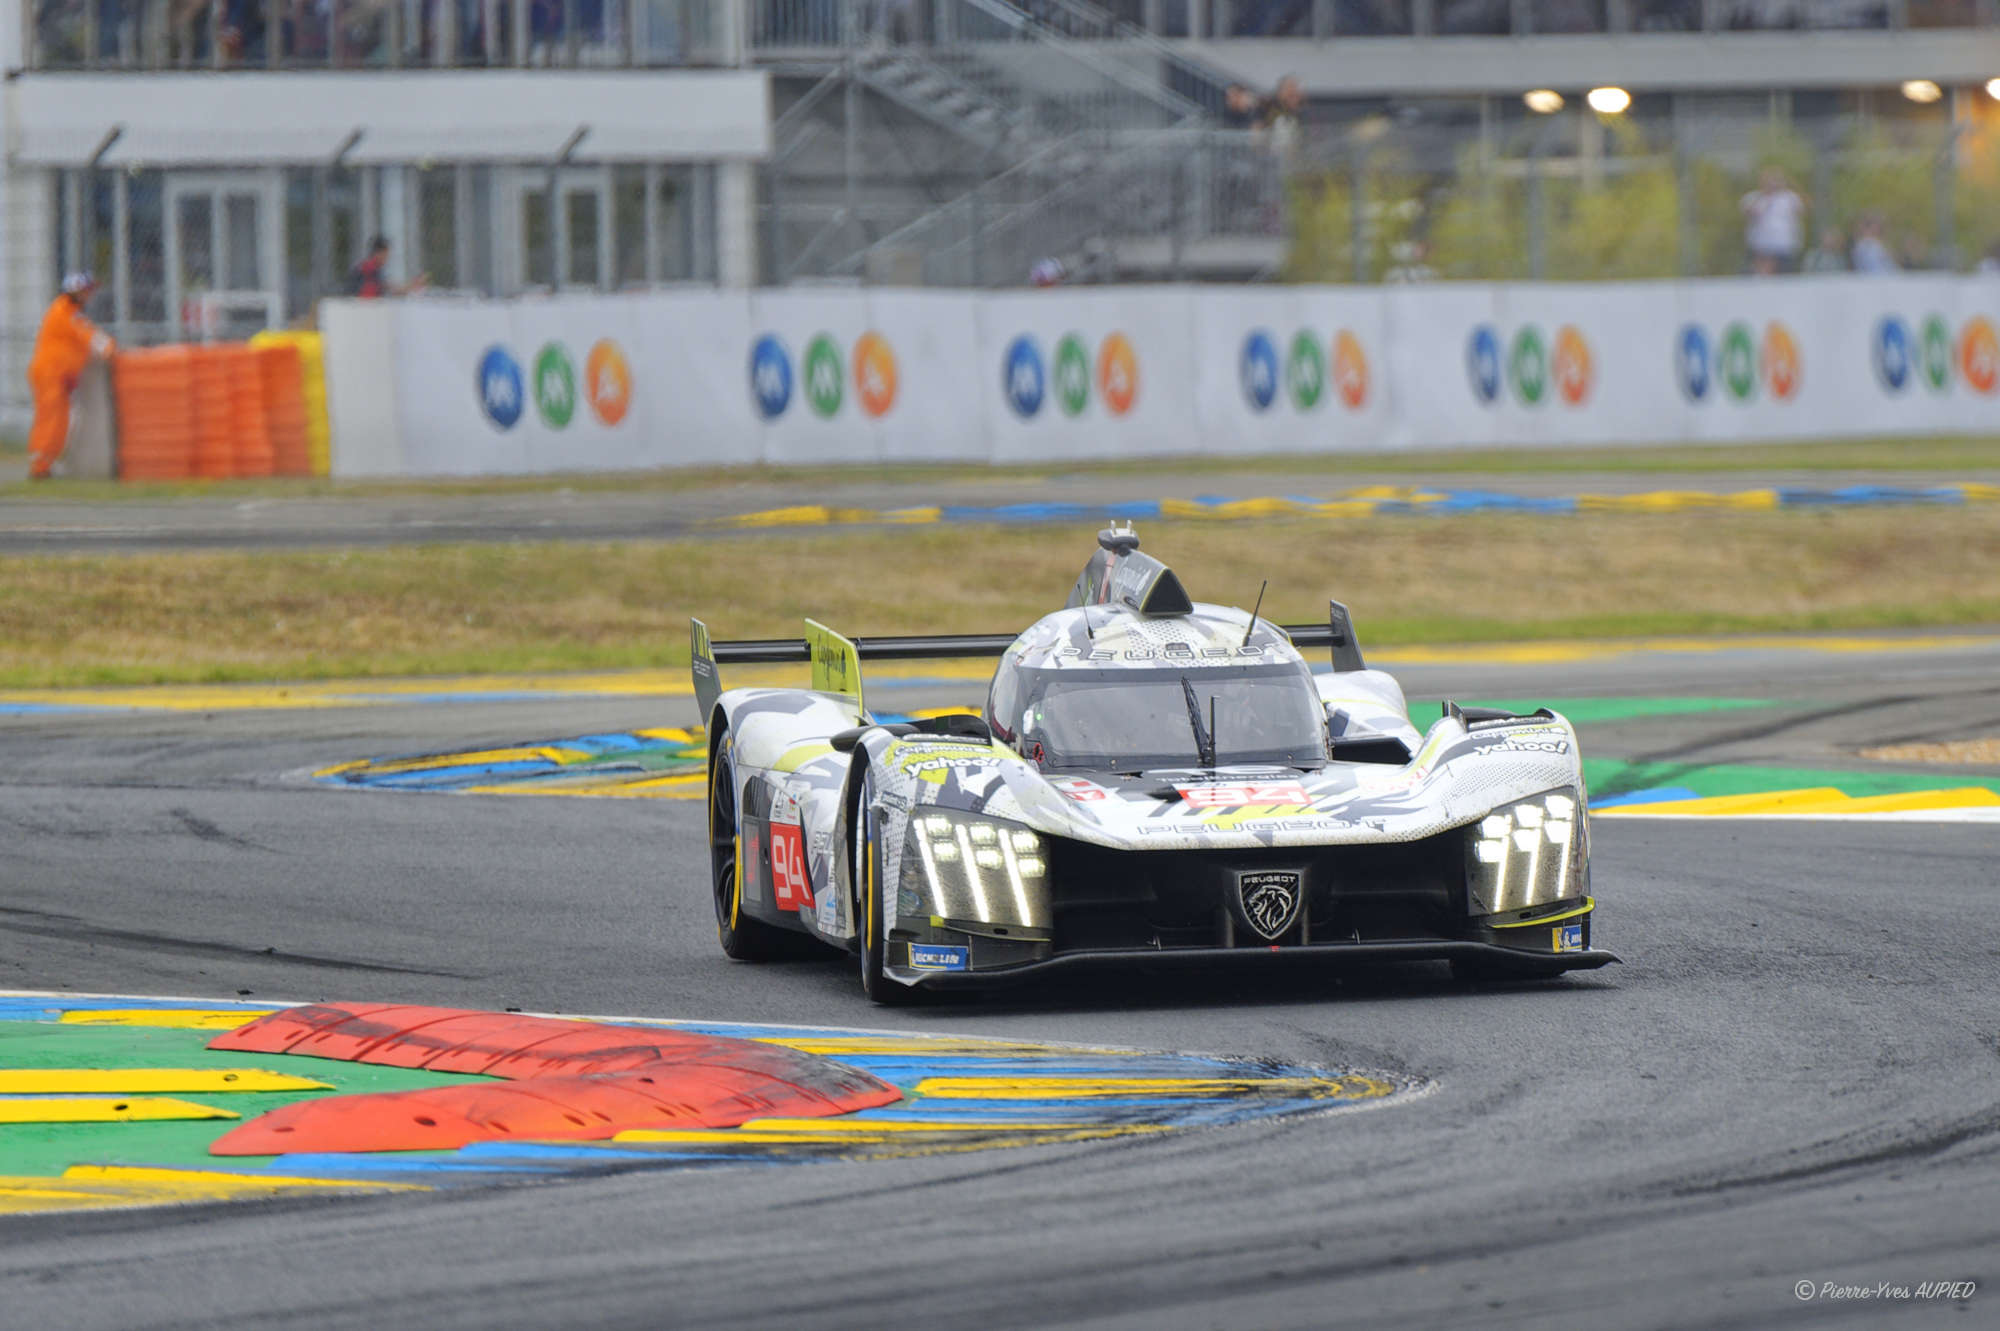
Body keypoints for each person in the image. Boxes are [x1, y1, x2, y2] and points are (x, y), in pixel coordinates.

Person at [26, 272, 115, 481]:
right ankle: (40, 465)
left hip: (58, 374)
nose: (89, 295)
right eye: (86, 291)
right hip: (51, 373)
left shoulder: (68, 311)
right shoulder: (64, 311)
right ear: (75, 292)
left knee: (60, 420)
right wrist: (110, 349)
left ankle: (45, 463)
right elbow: (89, 336)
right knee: (51, 419)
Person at [1739, 166, 1805, 275]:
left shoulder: (1789, 197)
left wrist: (1793, 186)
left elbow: (1802, 210)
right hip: (1761, 246)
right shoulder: (1753, 197)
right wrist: (1764, 195)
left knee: (1786, 276)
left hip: (1785, 245)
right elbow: (1749, 212)